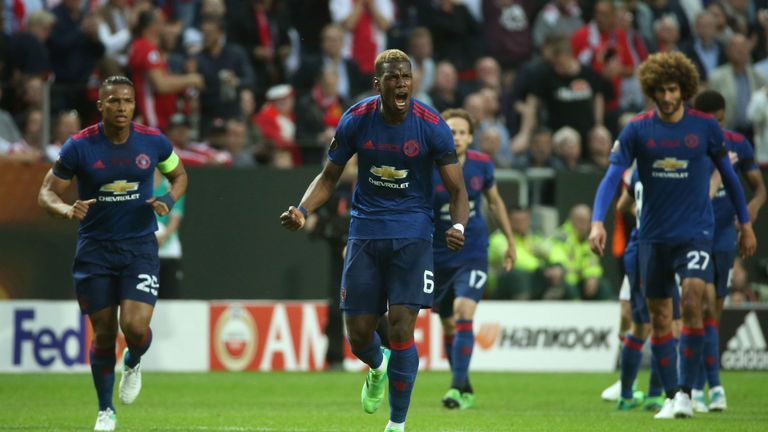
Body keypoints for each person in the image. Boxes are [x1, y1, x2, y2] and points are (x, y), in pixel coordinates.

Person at [280, 49, 469, 432]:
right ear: (377, 83)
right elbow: (329, 177)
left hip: (413, 233)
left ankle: (396, 424)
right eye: (393, 78)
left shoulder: (431, 125)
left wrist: (459, 227)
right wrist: (303, 209)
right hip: (365, 231)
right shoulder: (356, 119)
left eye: (407, 77)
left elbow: (458, 191)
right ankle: (378, 367)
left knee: (401, 328)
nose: (401, 84)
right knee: (360, 335)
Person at [588, 51, 756, 420]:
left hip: (696, 233)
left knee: (694, 301)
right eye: (660, 90)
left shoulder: (705, 128)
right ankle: (670, 394)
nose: (667, 97)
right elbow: (612, 176)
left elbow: (730, 177)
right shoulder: (637, 129)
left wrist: (745, 222)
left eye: (673, 89)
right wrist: (598, 220)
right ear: (650, 90)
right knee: (660, 317)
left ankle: (687, 392)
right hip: (652, 238)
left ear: (684, 90)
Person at [37, 76, 188, 431]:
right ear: (101, 105)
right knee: (103, 333)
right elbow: (47, 192)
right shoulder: (79, 146)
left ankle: (133, 360)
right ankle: (106, 410)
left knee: (135, 327)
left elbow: (179, 175)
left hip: (139, 247)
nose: (122, 108)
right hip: (95, 250)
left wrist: (167, 200)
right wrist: (65, 209)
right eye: (114, 101)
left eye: (128, 101)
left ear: (135, 105)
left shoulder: (153, 142)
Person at [431, 108, 516, 410]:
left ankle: (455, 388)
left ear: (470, 136)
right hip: (437, 254)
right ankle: (464, 386)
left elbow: (495, 202)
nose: (456, 137)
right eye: (451, 132)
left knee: (463, 310)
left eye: (462, 132)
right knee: (449, 325)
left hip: (473, 251)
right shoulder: (428, 164)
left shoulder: (482, 164)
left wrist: (510, 240)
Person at [690, 89, 766, 412]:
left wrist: (750, 211)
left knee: (713, 313)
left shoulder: (737, 142)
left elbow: (759, 187)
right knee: (700, 304)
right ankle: (698, 387)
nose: (716, 128)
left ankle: (713, 387)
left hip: (723, 233)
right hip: (695, 232)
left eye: (720, 121)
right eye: (711, 121)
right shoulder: (689, 143)